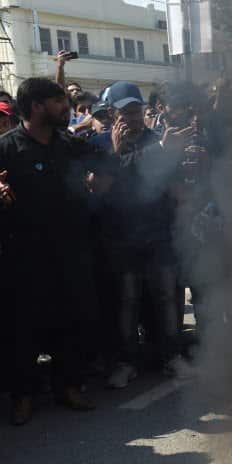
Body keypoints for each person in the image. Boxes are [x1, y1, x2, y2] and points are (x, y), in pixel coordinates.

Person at [0, 78, 107, 424]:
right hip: (25, 257)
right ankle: (23, 396)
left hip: (71, 253)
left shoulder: (69, 143)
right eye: (59, 102)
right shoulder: (6, 148)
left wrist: (99, 179)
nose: (67, 108)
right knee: (24, 330)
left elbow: (106, 163)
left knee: (71, 322)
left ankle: (70, 387)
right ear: (36, 106)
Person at [99, 81, 197, 389]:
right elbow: (99, 189)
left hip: (158, 234)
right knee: (127, 300)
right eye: (126, 112)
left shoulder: (161, 139)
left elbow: (179, 190)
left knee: (168, 297)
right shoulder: (102, 144)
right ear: (113, 114)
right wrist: (116, 153)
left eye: (137, 110)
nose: (133, 118)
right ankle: (126, 361)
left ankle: (171, 357)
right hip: (121, 238)